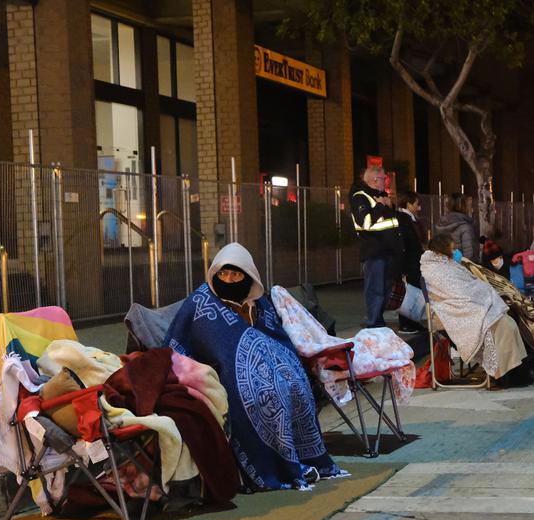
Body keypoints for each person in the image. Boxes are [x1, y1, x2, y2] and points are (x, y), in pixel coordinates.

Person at [164, 243, 346, 491]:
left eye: (236, 274)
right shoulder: (201, 303)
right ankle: (272, 469)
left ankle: (299, 461)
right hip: (219, 373)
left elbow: (276, 340)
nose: (228, 279)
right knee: (260, 396)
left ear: (248, 276)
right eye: (223, 274)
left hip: (267, 370)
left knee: (295, 384)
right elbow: (183, 345)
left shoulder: (260, 304)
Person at [421, 232, 534, 386]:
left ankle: (517, 370)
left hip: (468, 306)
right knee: (501, 326)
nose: (456, 251)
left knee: (509, 322)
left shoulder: (446, 265)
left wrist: (484, 292)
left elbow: (467, 286)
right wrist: (485, 293)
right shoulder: (436, 270)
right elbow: (459, 292)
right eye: (453, 248)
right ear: (444, 250)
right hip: (455, 312)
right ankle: (505, 375)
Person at [350, 166, 402, 328]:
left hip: (388, 251)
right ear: (374, 180)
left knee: (385, 290)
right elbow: (365, 223)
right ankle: (374, 324)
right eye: (383, 180)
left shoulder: (380, 196)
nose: (385, 183)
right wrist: (380, 206)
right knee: (376, 290)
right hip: (374, 252)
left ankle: (377, 321)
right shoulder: (360, 197)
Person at [396, 191, 426, 333]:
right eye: (416, 204)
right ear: (408, 204)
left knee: (415, 292)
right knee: (409, 292)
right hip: (410, 261)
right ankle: (406, 323)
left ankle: (412, 321)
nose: (418, 207)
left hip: (414, 260)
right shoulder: (404, 219)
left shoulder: (410, 219)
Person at [435, 194, 478, 261]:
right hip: (461, 268)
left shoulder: (441, 224)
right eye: (468, 205)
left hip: (443, 265)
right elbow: (469, 255)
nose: (470, 208)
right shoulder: (465, 227)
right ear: (463, 206)